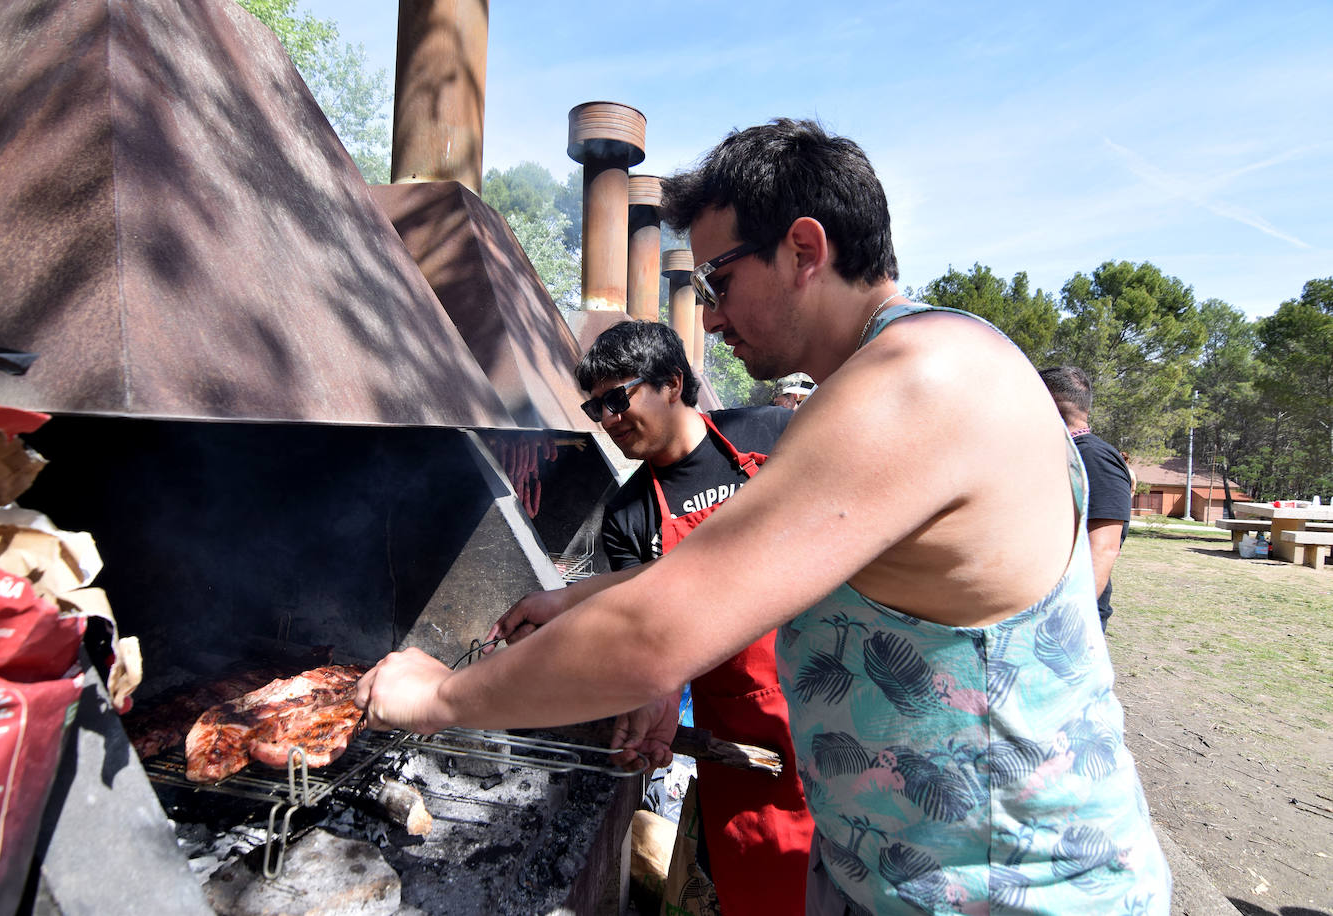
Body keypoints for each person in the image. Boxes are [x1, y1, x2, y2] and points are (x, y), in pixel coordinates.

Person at [358, 119, 1171, 914]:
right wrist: (573, 598)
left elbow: (656, 636)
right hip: (906, 873)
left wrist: (442, 697)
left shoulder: (919, 383)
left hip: (1010, 889)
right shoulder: (917, 370)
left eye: (718, 280)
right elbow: (747, 558)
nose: (707, 317)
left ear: (804, 251)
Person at [491, 319, 813, 916]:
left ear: (671, 382)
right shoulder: (629, 511)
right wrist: (653, 686)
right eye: (596, 408)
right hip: (736, 732)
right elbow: (648, 623)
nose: (608, 420)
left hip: (826, 699)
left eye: (618, 399)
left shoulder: (771, 432)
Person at [1038, 367, 1134, 632]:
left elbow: (1103, 548)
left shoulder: (1093, 458)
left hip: (1066, 619)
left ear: (1044, 402)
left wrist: (1068, 621)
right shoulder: (1062, 454)